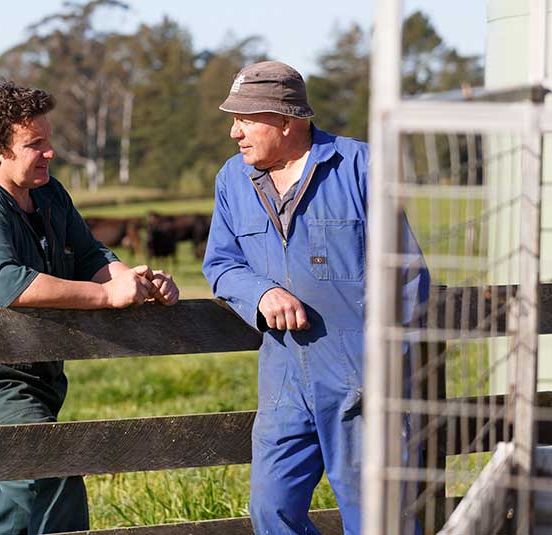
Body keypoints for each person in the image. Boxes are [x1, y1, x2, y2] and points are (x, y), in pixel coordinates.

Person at [0, 81, 180, 535]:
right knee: (54, 468)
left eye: (49, 141)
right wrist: (107, 296)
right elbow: (7, 284)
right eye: (35, 145)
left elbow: (90, 255)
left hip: (40, 368)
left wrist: (134, 280)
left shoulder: (48, 194)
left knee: (5, 511)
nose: (50, 153)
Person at [202, 61, 429, 535]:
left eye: (245, 119)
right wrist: (261, 292)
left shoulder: (360, 167)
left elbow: (407, 277)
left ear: (286, 121)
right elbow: (221, 264)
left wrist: (389, 367)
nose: (234, 132)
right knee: (272, 509)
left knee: (376, 517)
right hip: (283, 375)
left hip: (363, 375)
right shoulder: (232, 180)